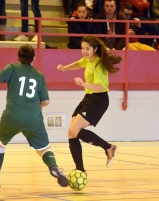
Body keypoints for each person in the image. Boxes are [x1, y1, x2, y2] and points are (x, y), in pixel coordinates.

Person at [0, 45, 68, 188]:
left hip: (12, 116)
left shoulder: (12, 68)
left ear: (18, 57)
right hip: (33, 118)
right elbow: (45, 101)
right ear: (33, 58)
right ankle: (53, 167)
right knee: (44, 148)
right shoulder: (39, 75)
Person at [56, 35, 121, 174]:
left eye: (87, 49)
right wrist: (65, 68)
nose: (84, 51)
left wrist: (84, 83)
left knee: (75, 130)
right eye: (82, 48)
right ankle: (80, 170)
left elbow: (101, 87)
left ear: (95, 49)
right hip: (89, 97)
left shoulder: (98, 64)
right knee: (71, 133)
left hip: (99, 100)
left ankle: (108, 147)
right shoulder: (88, 60)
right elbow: (79, 63)